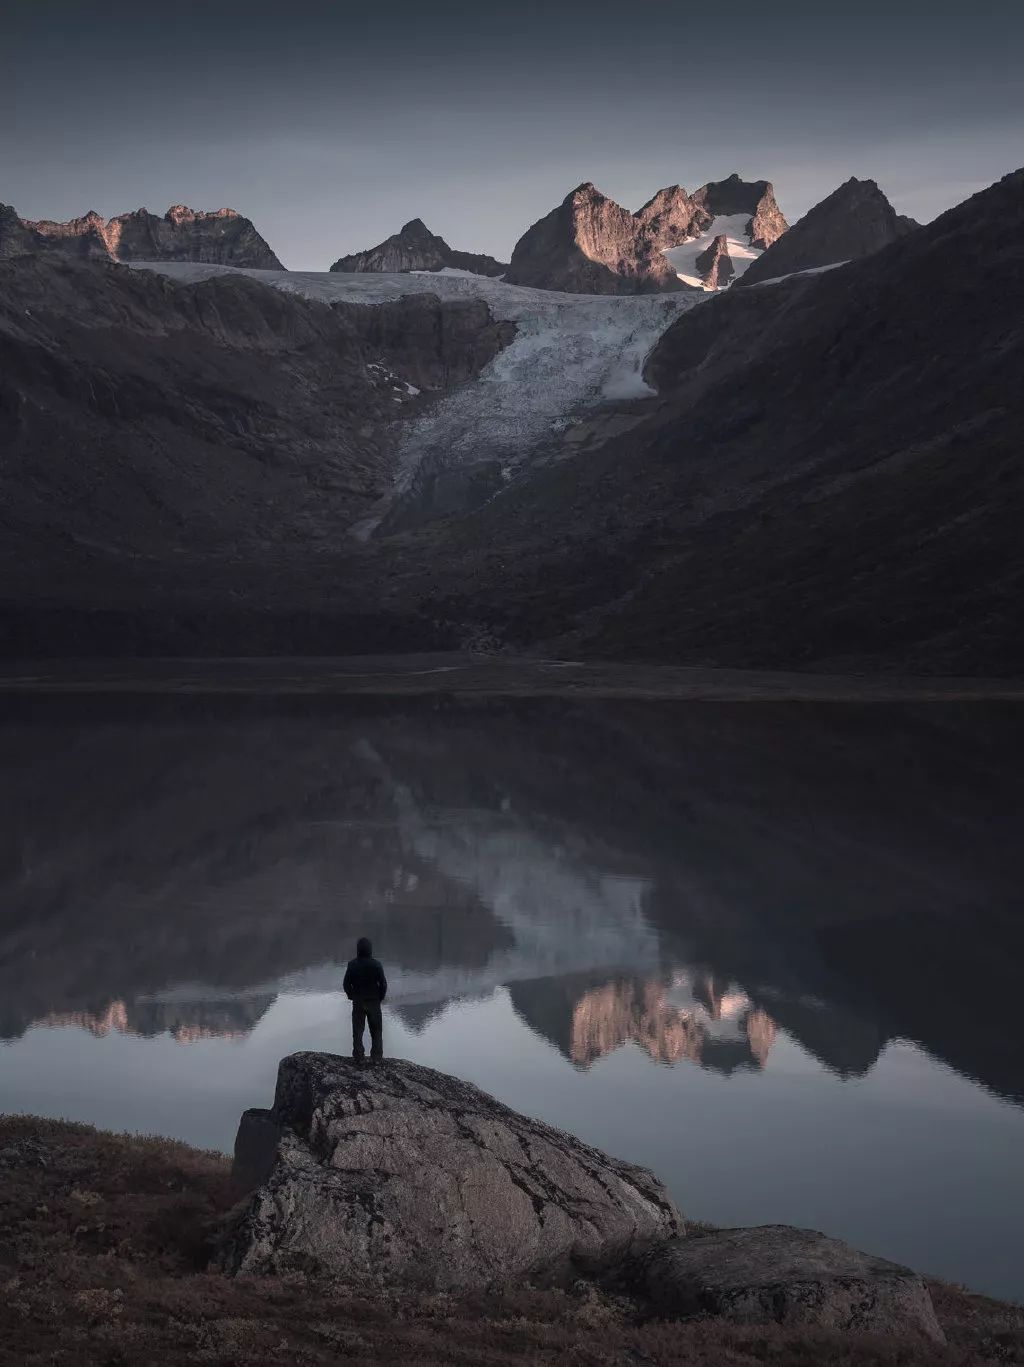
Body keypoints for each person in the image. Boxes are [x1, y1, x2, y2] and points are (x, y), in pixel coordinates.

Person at [342, 936, 387, 1063]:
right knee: (376, 1030)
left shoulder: (352, 965)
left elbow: (346, 984)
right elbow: (383, 984)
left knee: (358, 1031)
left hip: (358, 1002)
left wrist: (351, 995)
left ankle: (358, 1056)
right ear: (370, 949)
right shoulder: (376, 965)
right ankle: (377, 1057)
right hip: (373, 1001)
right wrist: (380, 997)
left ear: (358, 949)